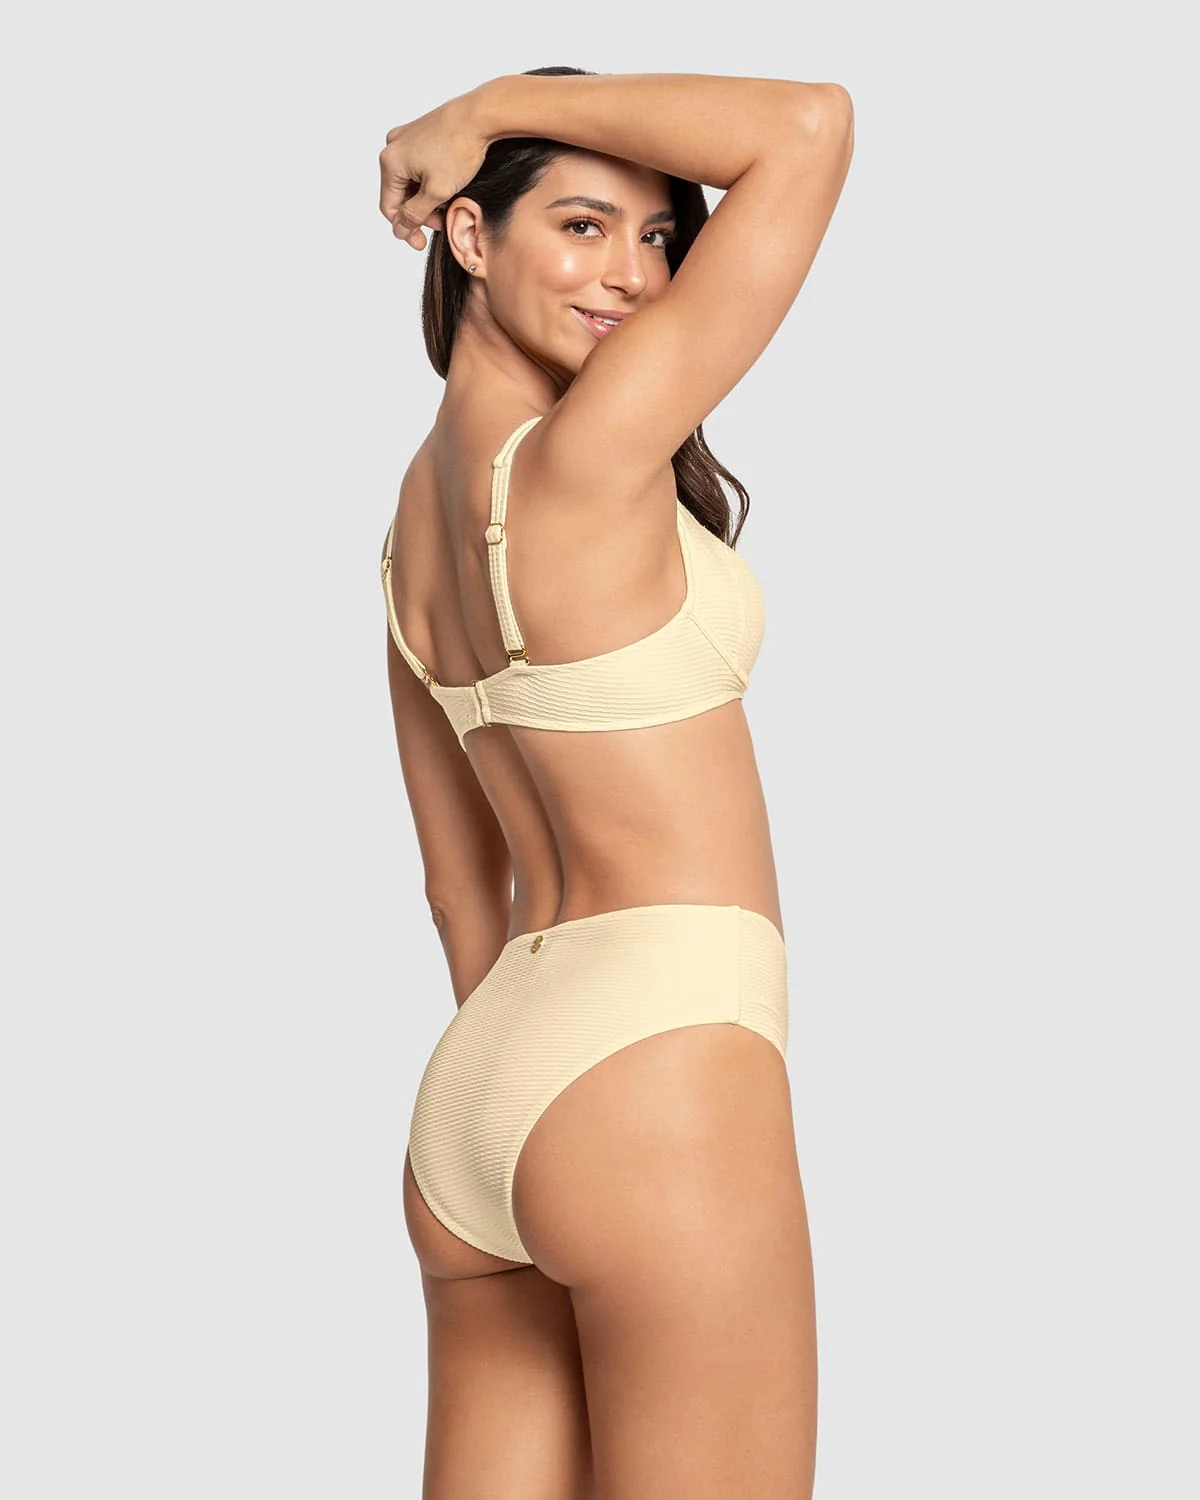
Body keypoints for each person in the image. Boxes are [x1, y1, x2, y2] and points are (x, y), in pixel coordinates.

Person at [377, 66, 854, 1499]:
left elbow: (458, 883)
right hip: (659, 1060)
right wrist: (488, 105)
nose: (634, 277)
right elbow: (809, 127)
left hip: (485, 1087)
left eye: (657, 238)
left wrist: (534, 1114)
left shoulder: (407, 534)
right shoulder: (590, 459)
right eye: (581, 227)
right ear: (469, 235)